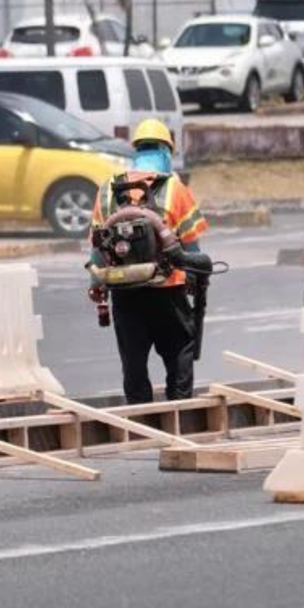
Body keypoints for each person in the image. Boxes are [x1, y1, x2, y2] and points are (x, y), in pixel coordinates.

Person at [89, 119, 208, 403]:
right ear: (167, 150)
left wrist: (97, 285)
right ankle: (179, 413)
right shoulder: (174, 188)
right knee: (179, 353)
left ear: (136, 150)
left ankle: (140, 422)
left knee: (133, 363)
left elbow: (96, 246)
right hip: (168, 289)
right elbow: (192, 247)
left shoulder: (108, 189)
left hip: (124, 293)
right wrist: (194, 278)